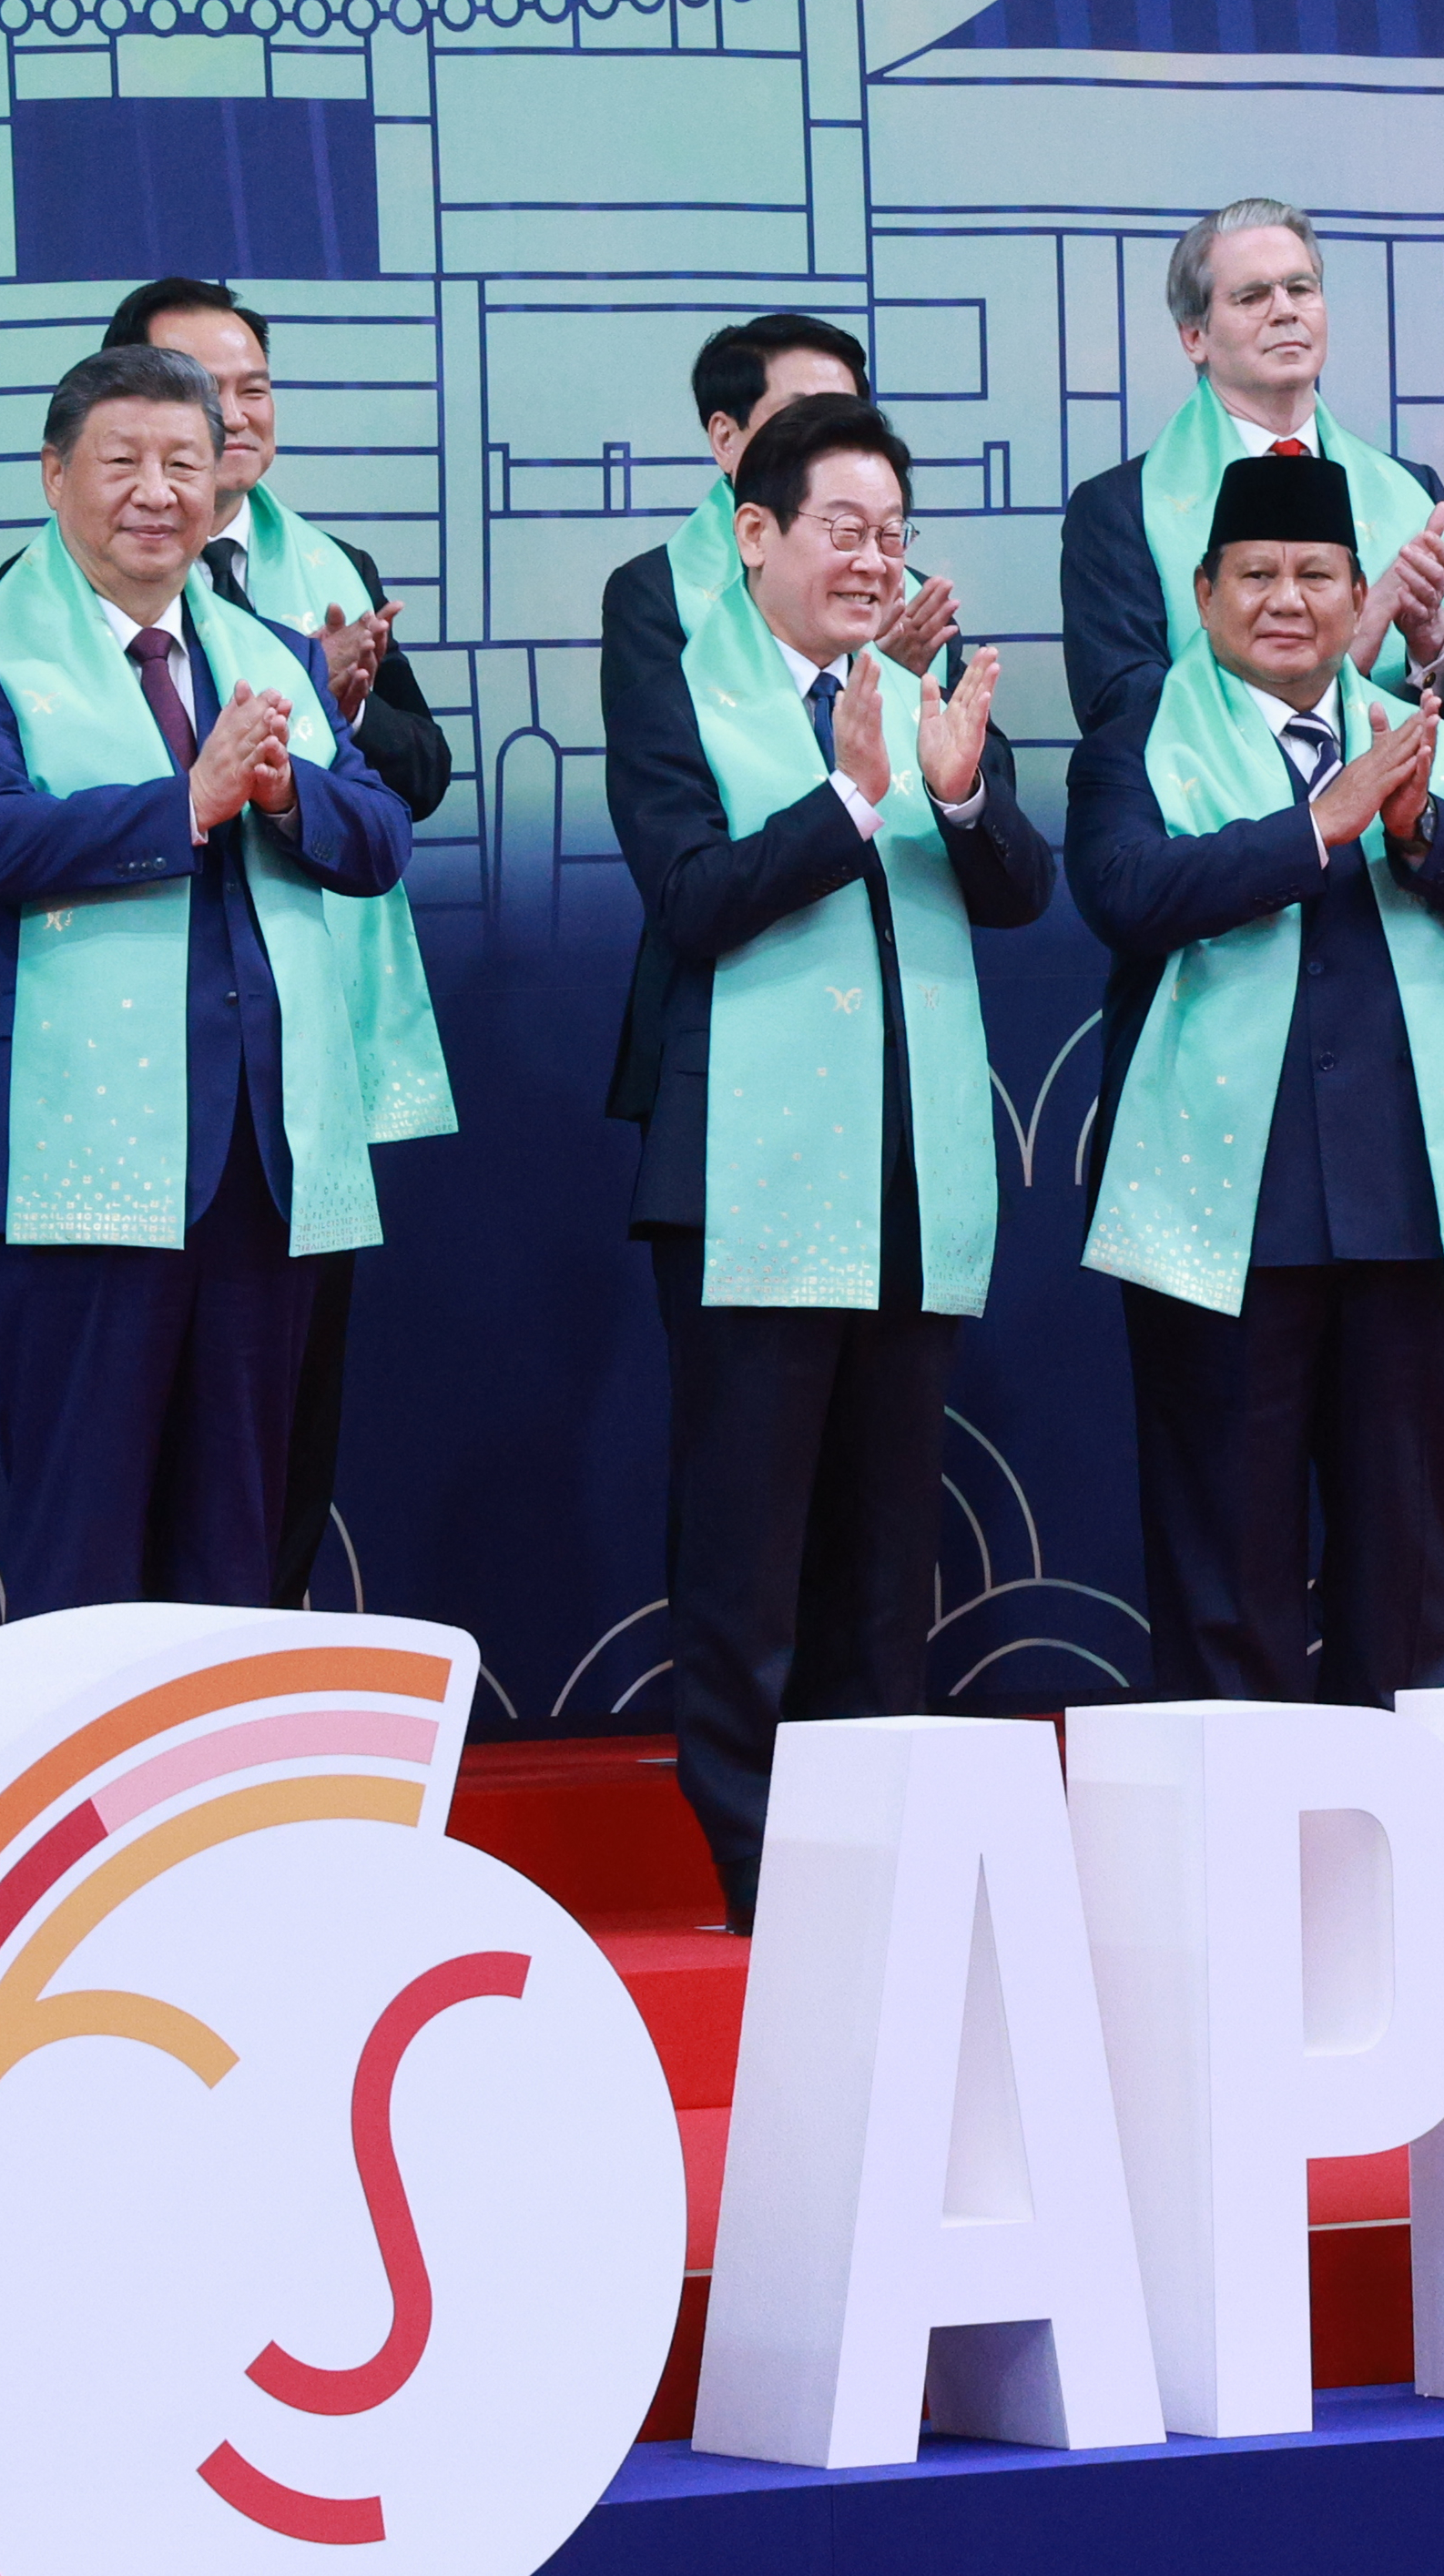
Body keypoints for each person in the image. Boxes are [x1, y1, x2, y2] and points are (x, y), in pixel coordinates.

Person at [596, 391, 1052, 1932]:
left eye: (888, 535)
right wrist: (851, 800)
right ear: (754, 534)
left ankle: (878, 1874)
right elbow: (692, 899)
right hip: (748, 1180)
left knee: (882, 1557)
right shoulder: (689, 687)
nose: (868, 561)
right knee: (744, 1555)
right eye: (838, 530)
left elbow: (1018, 890)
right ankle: (759, 1874)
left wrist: (959, 786)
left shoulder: (910, 684)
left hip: (910, 1173)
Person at [0, 345, 421, 1618]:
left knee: (236, 1537)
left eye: (184, 464)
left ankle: (219, 1812)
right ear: (52, 474)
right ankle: (86, 1809)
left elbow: (379, 839)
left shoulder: (265, 653)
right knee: (83, 1535)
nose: (157, 492)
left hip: (262, 1153)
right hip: (80, 1158)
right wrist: (181, 806)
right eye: (122, 461)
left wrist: (287, 789)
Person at [1071, 452, 1444, 1707]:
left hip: (1401, 1197)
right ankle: (1230, 1850)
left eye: (1314, 575)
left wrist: (1414, 829)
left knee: (1402, 1554)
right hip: (1218, 1205)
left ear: (1359, 604)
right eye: (1255, 575)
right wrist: (1316, 830)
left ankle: (1385, 1849)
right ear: (1203, 589)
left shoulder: (1415, 734)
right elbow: (1124, 894)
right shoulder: (1137, 734)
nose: (1284, 599)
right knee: (1224, 1555)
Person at [110, 274, 457, 1615]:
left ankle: (268, 1698)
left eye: (252, 386)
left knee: (283, 1427)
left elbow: (418, 779)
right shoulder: (51, 606)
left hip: (312, 1048)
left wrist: (348, 710)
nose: (234, 413)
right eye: (202, 389)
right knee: (148, 1436)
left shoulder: (332, 571)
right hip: (144, 1066)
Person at [601, 317, 958, 1198]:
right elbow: (682, 869)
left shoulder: (899, 596)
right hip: (731, 1037)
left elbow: (1004, 861)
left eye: (850, 410)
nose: (831, 432)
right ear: (725, 440)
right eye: (804, 410)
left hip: (899, 1040)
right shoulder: (658, 594)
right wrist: (849, 778)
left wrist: (890, 685)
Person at [1060, 198, 1444, 748]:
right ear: (1195, 337)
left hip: (1399, 827)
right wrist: (1344, 655)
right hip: (1224, 832)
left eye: (1301, 289)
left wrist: (1431, 642)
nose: (1286, 311)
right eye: (1252, 296)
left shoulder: (1411, 493)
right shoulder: (1121, 509)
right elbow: (1121, 717)